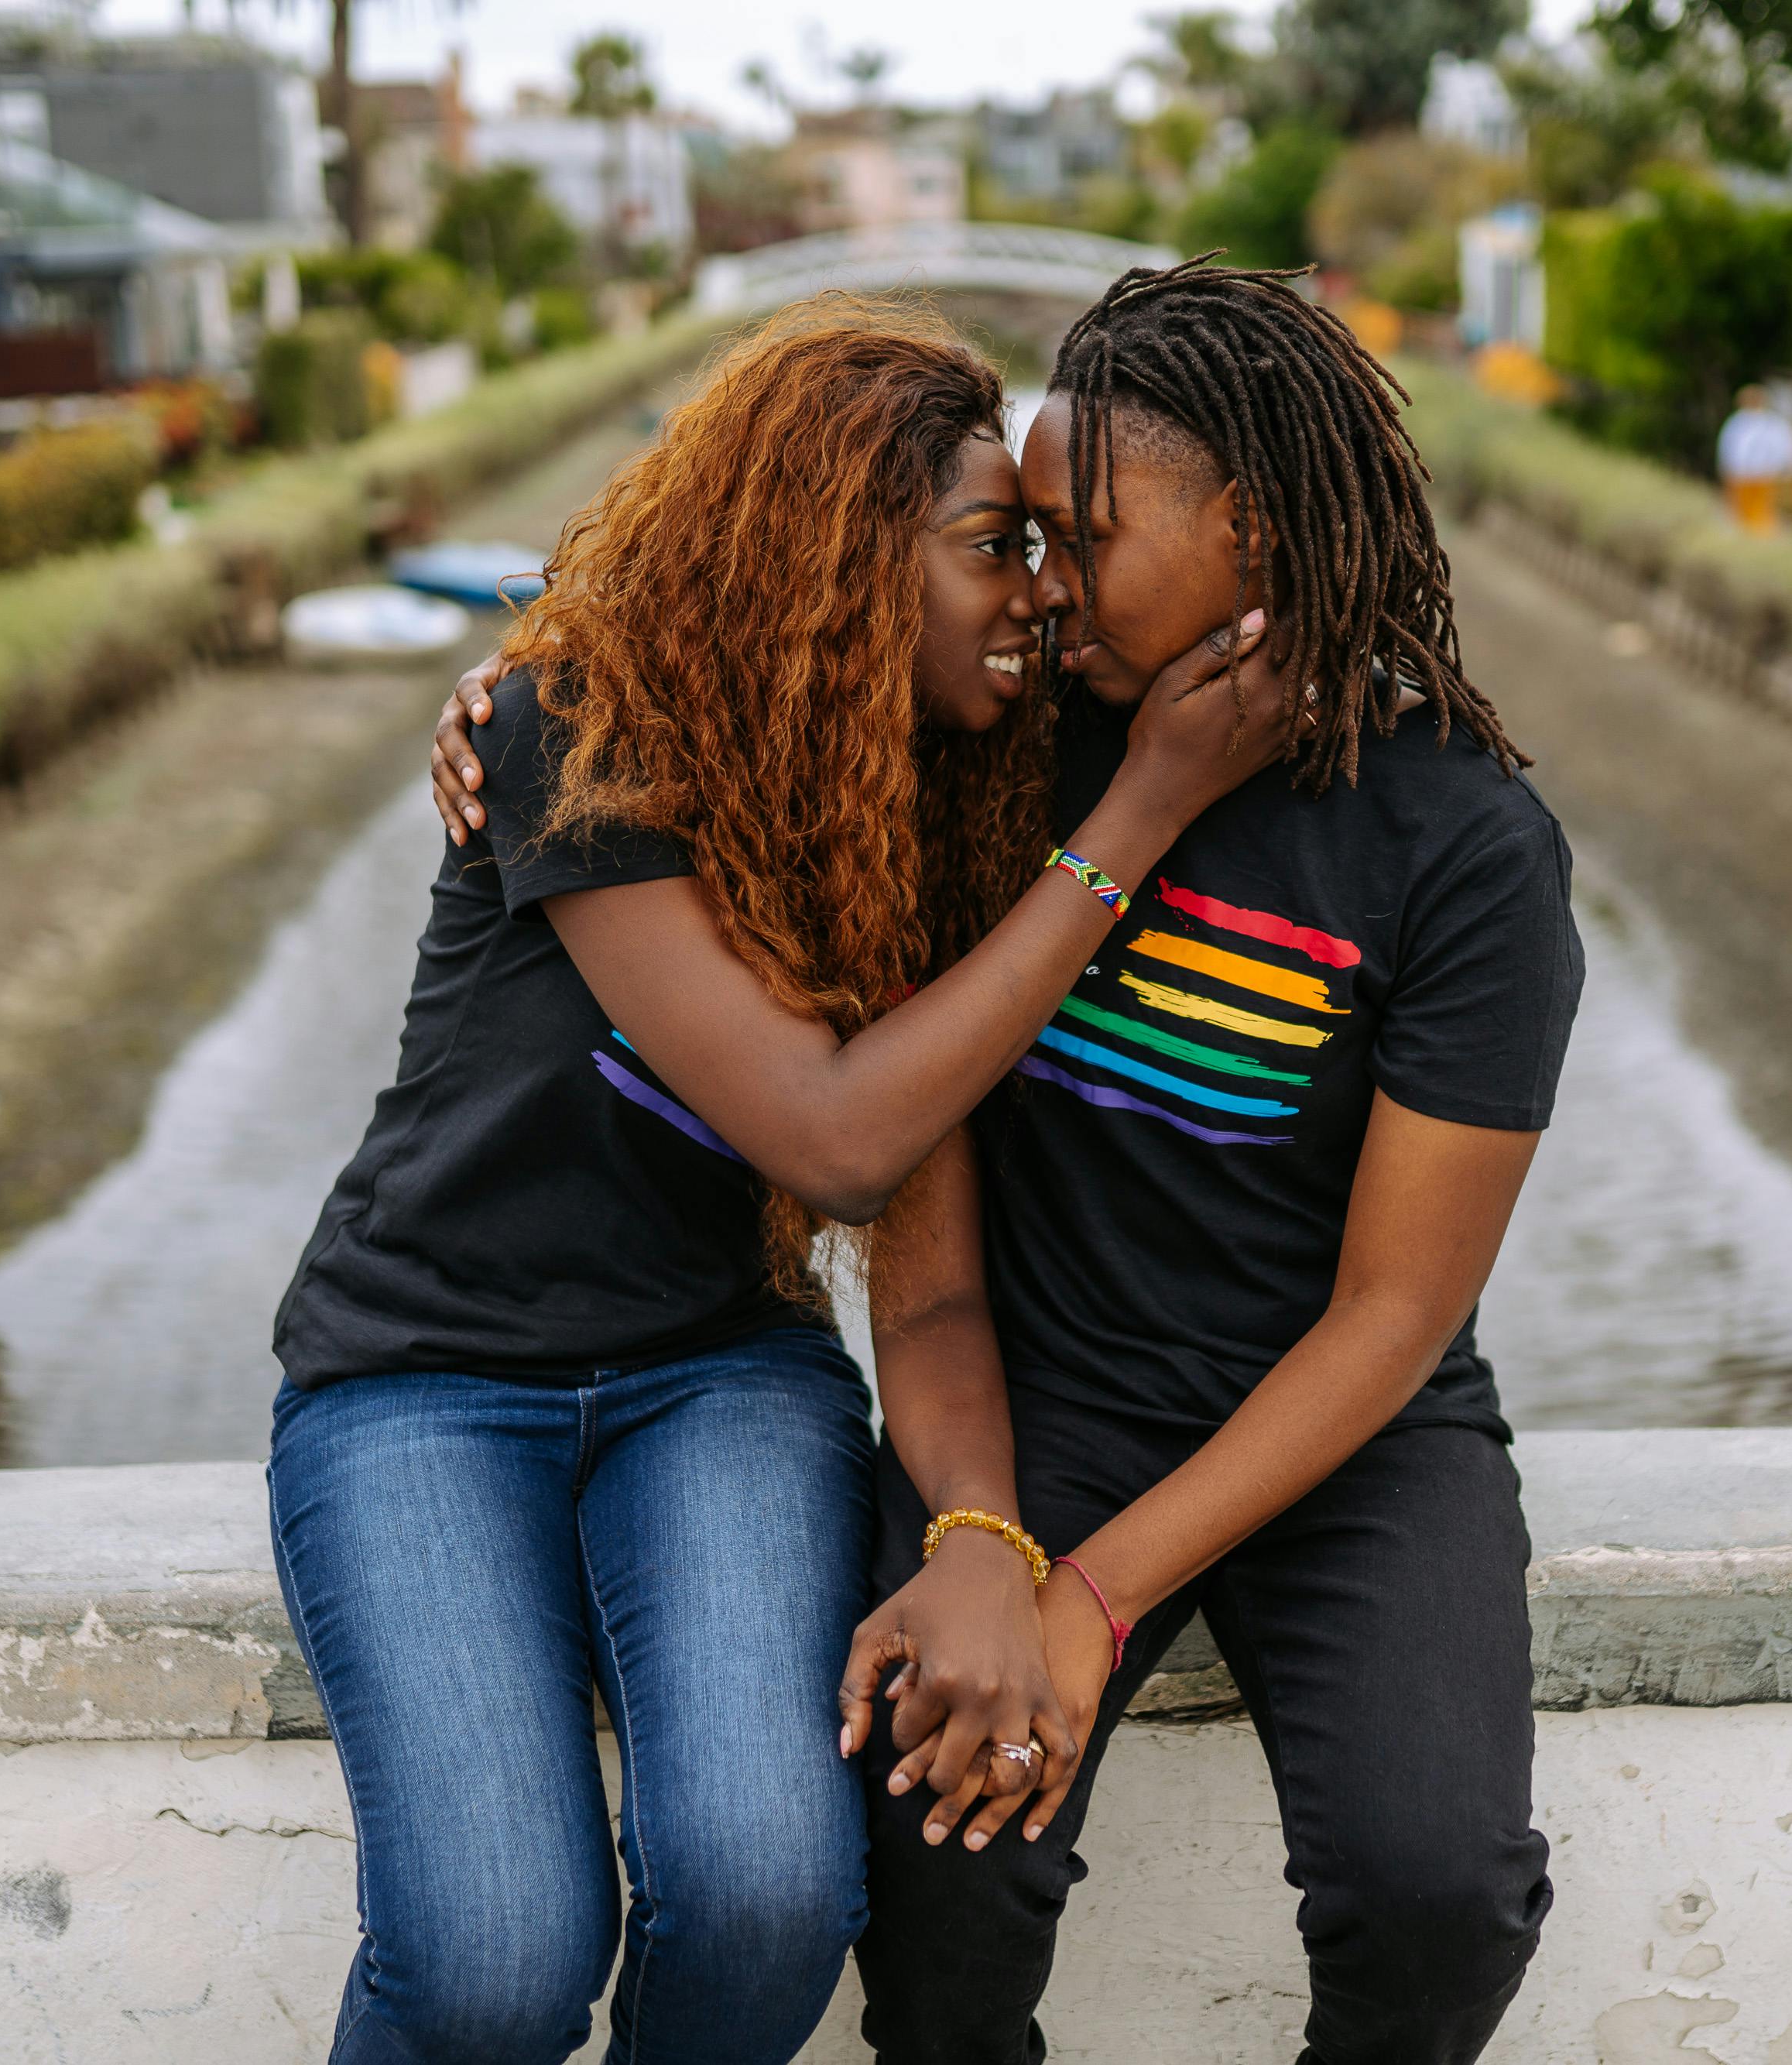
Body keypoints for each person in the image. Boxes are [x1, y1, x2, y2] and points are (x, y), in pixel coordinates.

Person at [275, 300, 1287, 2065]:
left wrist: (975, 1530)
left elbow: (936, 1279)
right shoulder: (576, 722)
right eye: (994, 547)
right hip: (421, 1383)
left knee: (762, 1897)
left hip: (713, 1378)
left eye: (1047, 550)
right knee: (493, 1957)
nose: (1040, 592)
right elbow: (833, 1139)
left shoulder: (960, 812)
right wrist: (1127, 824)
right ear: (833, 553)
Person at [836, 259, 1585, 2065]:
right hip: (1047, 1408)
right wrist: (509, 681)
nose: (1041, 581)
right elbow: (725, 637)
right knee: (941, 1868)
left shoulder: (1463, 848)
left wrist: (1091, 1603)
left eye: (1086, 535)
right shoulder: (1004, 746)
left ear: (1257, 524)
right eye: (1024, 535)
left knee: (1437, 1892)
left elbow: (1397, 1314)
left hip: (1345, 1431)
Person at [1716, 382, 1792, 535]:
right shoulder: (1736, 423)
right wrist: (1727, 468)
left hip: (1766, 474)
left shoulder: (1773, 424)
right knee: (1740, 513)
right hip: (1741, 475)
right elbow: (1728, 448)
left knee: (1763, 514)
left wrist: (1787, 467)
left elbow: (1785, 446)